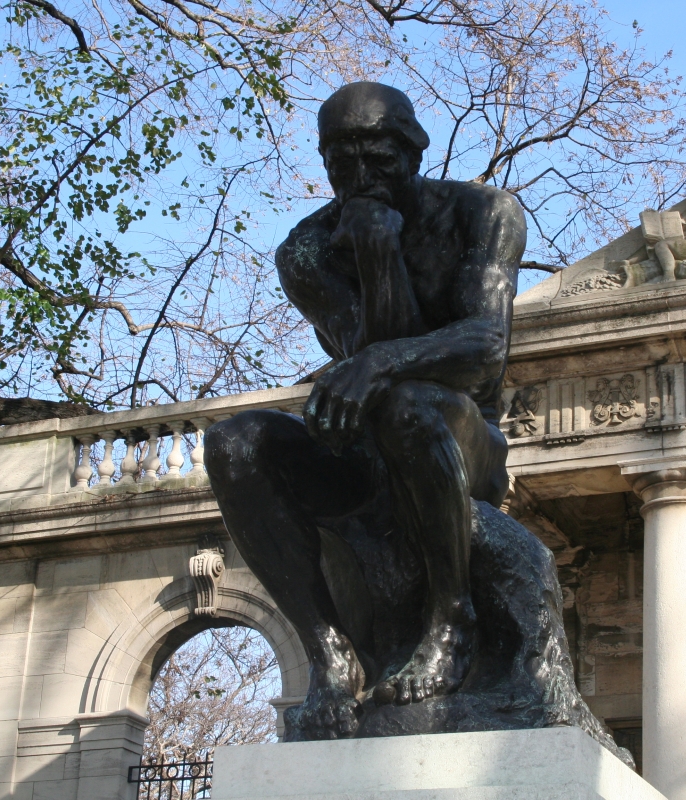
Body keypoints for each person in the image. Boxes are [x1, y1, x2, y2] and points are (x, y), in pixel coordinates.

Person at [203, 82, 526, 739]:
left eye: (376, 157)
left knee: (405, 403)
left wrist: (378, 357)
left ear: (413, 150)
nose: (358, 177)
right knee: (234, 443)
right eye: (340, 163)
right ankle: (329, 654)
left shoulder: (483, 213)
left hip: (464, 443)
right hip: (363, 451)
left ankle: (450, 619)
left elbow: (485, 347)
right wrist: (375, 253)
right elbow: (360, 350)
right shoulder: (307, 250)